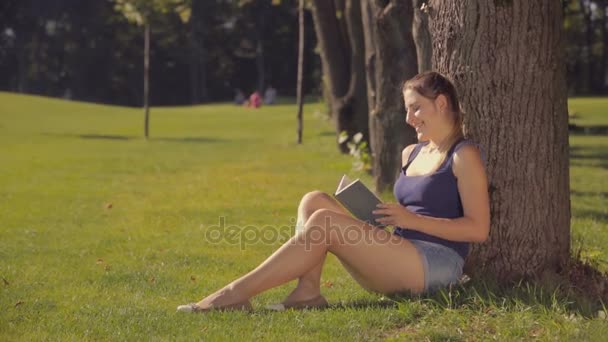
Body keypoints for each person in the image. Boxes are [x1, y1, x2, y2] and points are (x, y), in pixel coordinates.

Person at [177, 71, 490, 313]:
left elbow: (478, 229)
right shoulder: (412, 153)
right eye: (407, 110)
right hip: (401, 248)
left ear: (442, 103)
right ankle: (307, 292)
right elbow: (414, 211)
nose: (409, 119)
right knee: (314, 200)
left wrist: (411, 220)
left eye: (415, 109)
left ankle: (233, 295)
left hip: (435, 263)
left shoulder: (463, 156)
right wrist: (386, 214)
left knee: (326, 221)